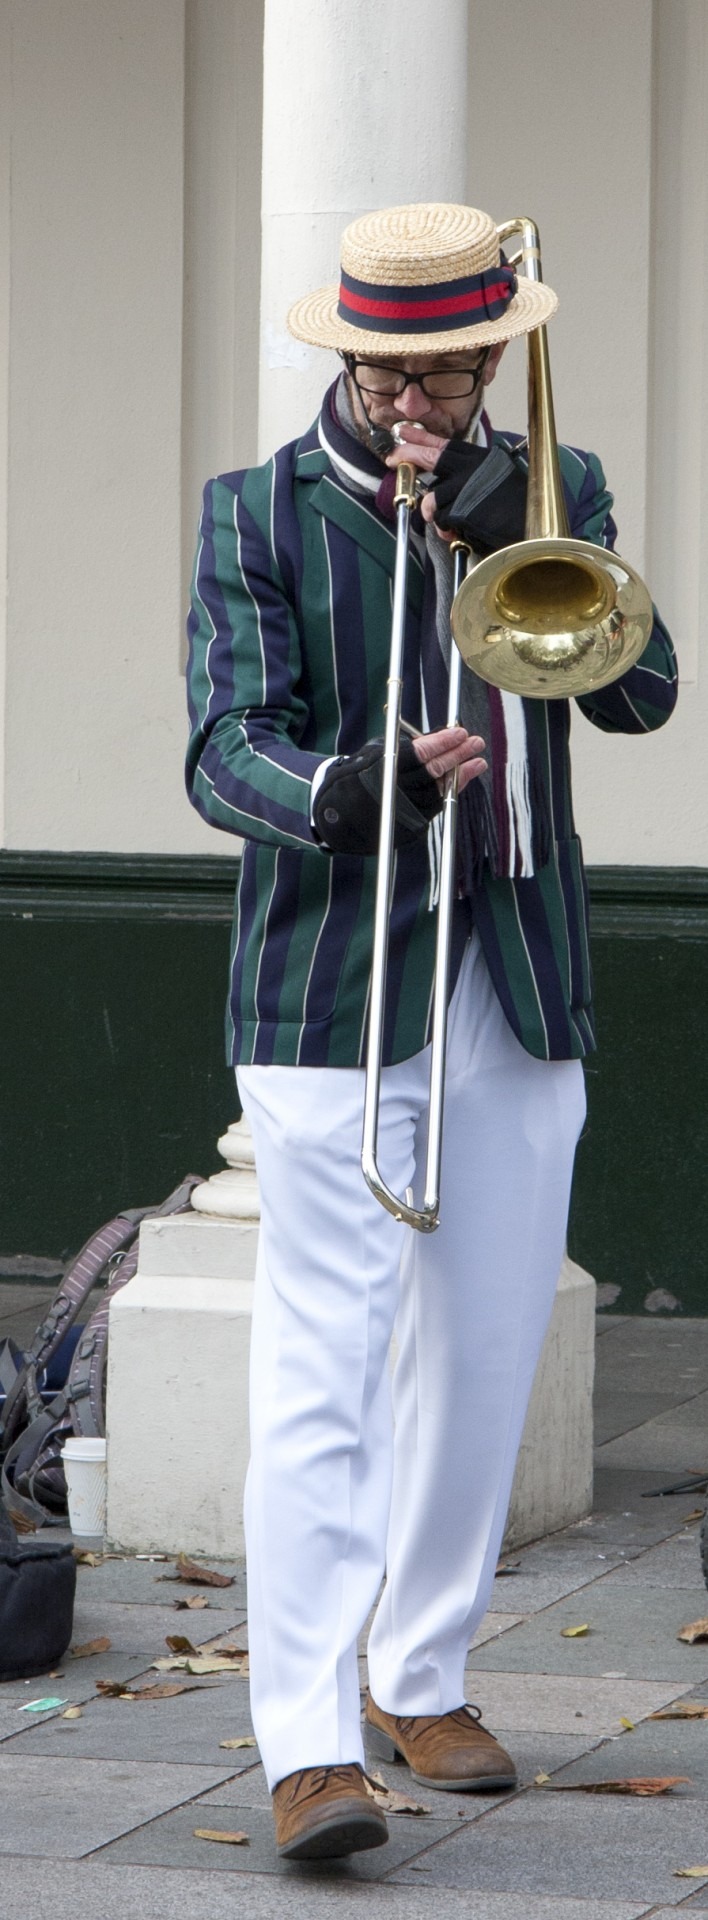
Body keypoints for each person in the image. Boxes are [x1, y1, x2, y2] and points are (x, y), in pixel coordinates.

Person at [185, 202, 677, 1861]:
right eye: (400, 369)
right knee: (324, 1362)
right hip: (334, 984)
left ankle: (423, 1666)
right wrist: (358, 787)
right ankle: (309, 1744)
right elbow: (220, 750)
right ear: (356, 358)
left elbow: (642, 690)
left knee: (480, 1352)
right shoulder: (257, 510)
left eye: (457, 365)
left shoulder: (556, 483)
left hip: (517, 969)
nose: (429, 396)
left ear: (488, 354)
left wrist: (510, 524)